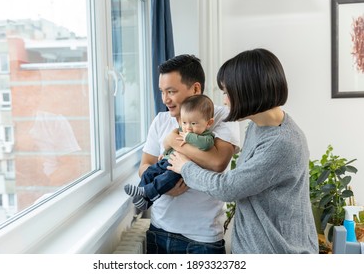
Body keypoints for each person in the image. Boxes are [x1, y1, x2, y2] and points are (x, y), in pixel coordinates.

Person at [168, 48, 319, 254]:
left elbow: (228, 188)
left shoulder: (282, 143)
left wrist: (184, 166)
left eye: (226, 93)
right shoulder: (257, 127)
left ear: (247, 91)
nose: (224, 101)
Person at [139, 54, 240, 254]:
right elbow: (144, 166)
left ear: (195, 89)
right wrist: (165, 189)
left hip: (202, 239)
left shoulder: (221, 116)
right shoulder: (160, 121)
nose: (165, 99)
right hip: (159, 230)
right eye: (162, 91)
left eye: (171, 91)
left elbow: (217, 161)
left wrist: (172, 142)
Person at [124, 94, 215, 210]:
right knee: (149, 172)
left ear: (208, 123)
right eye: (185, 122)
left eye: (193, 123)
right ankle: (142, 197)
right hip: (167, 160)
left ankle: (146, 192)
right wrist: (165, 153)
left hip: (178, 168)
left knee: (166, 178)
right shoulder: (181, 130)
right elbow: (173, 144)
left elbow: (206, 144)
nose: (188, 128)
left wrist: (188, 137)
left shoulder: (206, 136)